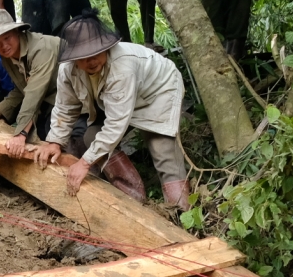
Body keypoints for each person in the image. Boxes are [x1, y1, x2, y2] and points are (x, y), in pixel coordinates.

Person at [32, 15, 191, 209]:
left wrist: (84, 163)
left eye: (95, 53)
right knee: (91, 135)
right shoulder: (68, 71)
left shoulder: (122, 67)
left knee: (161, 148)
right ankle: (133, 199)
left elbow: (116, 124)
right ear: (73, 59)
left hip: (158, 91)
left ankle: (180, 212)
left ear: (105, 47)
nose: (90, 61)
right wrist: (54, 141)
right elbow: (65, 108)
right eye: (83, 57)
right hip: (121, 100)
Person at [0, 9, 62, 146]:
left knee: (50, 133)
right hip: (51, 101)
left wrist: (21, 133)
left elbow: (33, 93)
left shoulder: (41, 49)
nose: (4, 46)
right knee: (40, 133)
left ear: (17, 32)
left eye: (7, 38)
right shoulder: (8, 56)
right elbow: (22, 87)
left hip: (75, 100)